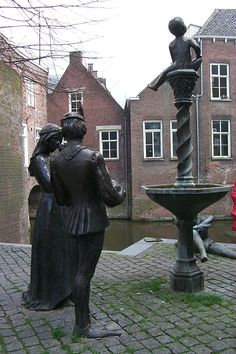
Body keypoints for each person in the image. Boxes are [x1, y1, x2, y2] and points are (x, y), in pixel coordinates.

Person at [50, 110, 126, 338]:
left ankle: (82, 318)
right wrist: (121, 189)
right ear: (83, 130)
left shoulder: (55, 159)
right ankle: (83, 327)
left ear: (64, 131)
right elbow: (111, 198)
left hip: (72, 220)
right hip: (92, 221)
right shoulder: (93, 157)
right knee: (84, 274)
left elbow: (61, 198)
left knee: (77, 271)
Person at [22, 123, 77, 311]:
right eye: (55, 139)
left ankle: (64, 292)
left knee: (63, 250)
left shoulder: (52, 157)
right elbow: (49, 184)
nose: (59, 143)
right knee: (50, 250)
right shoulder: (39, 160)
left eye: (60, 139)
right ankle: (49, 294)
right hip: (49, 208)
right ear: (47, 140)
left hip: (59, 206)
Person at [148, 17, 202, 91]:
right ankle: (193, 72)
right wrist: (198, 57)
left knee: (164, 72)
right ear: (183, 26)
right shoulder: (188, 40)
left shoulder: (171, 45)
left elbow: (173, 59)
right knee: (200, 59)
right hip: (188, 65)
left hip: (176, 66)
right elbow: (197, 47)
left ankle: (156, 86)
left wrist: (175, 66)